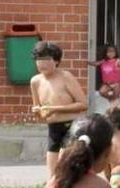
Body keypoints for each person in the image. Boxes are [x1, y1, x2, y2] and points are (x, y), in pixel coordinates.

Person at [30, 41, 88, 176]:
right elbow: (40, 111)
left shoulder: (65, 77)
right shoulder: (35, 81)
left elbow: (83, 104)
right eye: (39, 59)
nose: (42, 63)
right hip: (53, 128)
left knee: (65, 165)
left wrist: (55, 109)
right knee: (52, 170)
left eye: (46, 59)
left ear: (56, 61)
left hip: (72, 126)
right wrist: (37, 112)